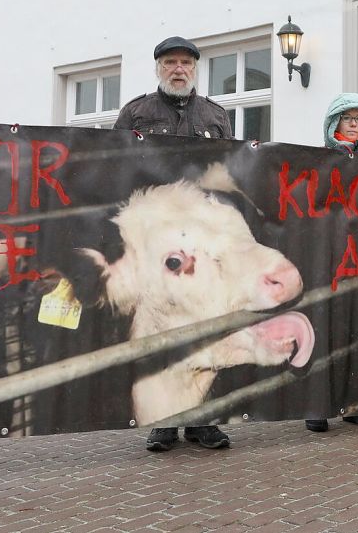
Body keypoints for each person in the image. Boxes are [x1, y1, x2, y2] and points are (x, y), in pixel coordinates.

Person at [114, 36, 234, 452]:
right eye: (170, 62)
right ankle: (163, 421)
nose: (178, 68)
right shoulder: (136, 112)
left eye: (185, 62)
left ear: (195, 69)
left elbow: (228, 171)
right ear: (158, 68)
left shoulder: (216, 115)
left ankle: (203, 420)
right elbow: (116, 165)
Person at [304, 93, 358, 433]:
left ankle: (357, 403)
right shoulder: (318, 159)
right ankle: (317, 405)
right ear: (334, 123)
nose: (354, 124)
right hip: (329, 256)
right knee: (325, 330)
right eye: (347, 118)